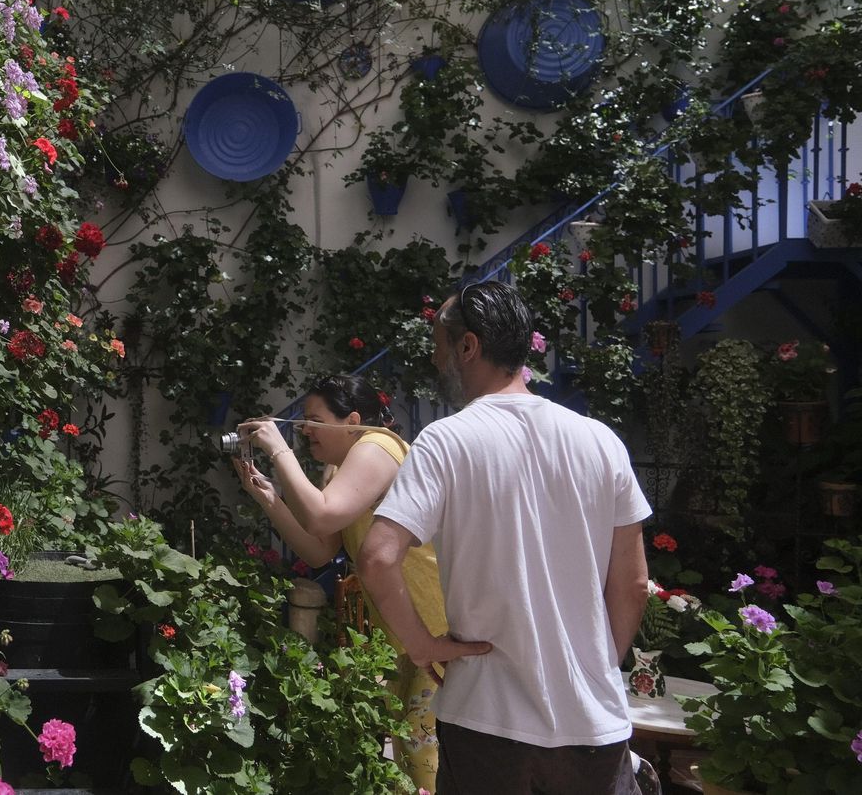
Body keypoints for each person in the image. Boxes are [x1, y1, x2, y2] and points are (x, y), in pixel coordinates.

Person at [357, 280, 652, 795]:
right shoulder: (601, 442)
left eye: (438, 344)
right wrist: (599, 665)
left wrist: (422, 646)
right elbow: (632, 585)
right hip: (592, 724)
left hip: (485, 722)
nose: (434, 358)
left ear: (468, 346)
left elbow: (378, 558)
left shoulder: (446, 441)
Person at [233, 374, 448, 792]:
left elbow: (322, 515)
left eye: (314, 419)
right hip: (407, 634)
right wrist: (266, 494)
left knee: (424, 761)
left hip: (435, 627)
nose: (306, 429)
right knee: (409, 763)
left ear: (352, 421)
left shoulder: (377, 445)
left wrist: (278, 448)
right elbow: (320, 549)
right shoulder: (341, 466)